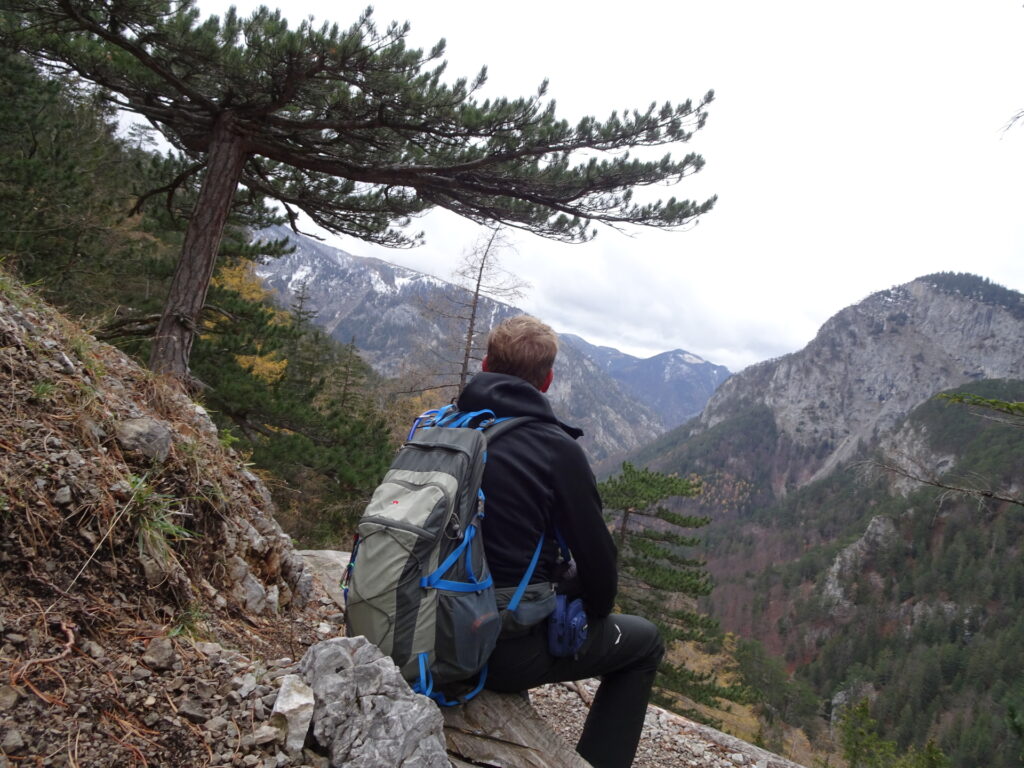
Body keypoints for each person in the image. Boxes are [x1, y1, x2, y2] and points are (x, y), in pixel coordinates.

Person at [457, 314, 664, 768]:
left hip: (413, 622)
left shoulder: (444, 426)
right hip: (495, 653)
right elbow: (599, 568)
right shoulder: (555, 449)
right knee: (645, 643)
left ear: (487, 363)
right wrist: (585, 605)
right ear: (546, 381)